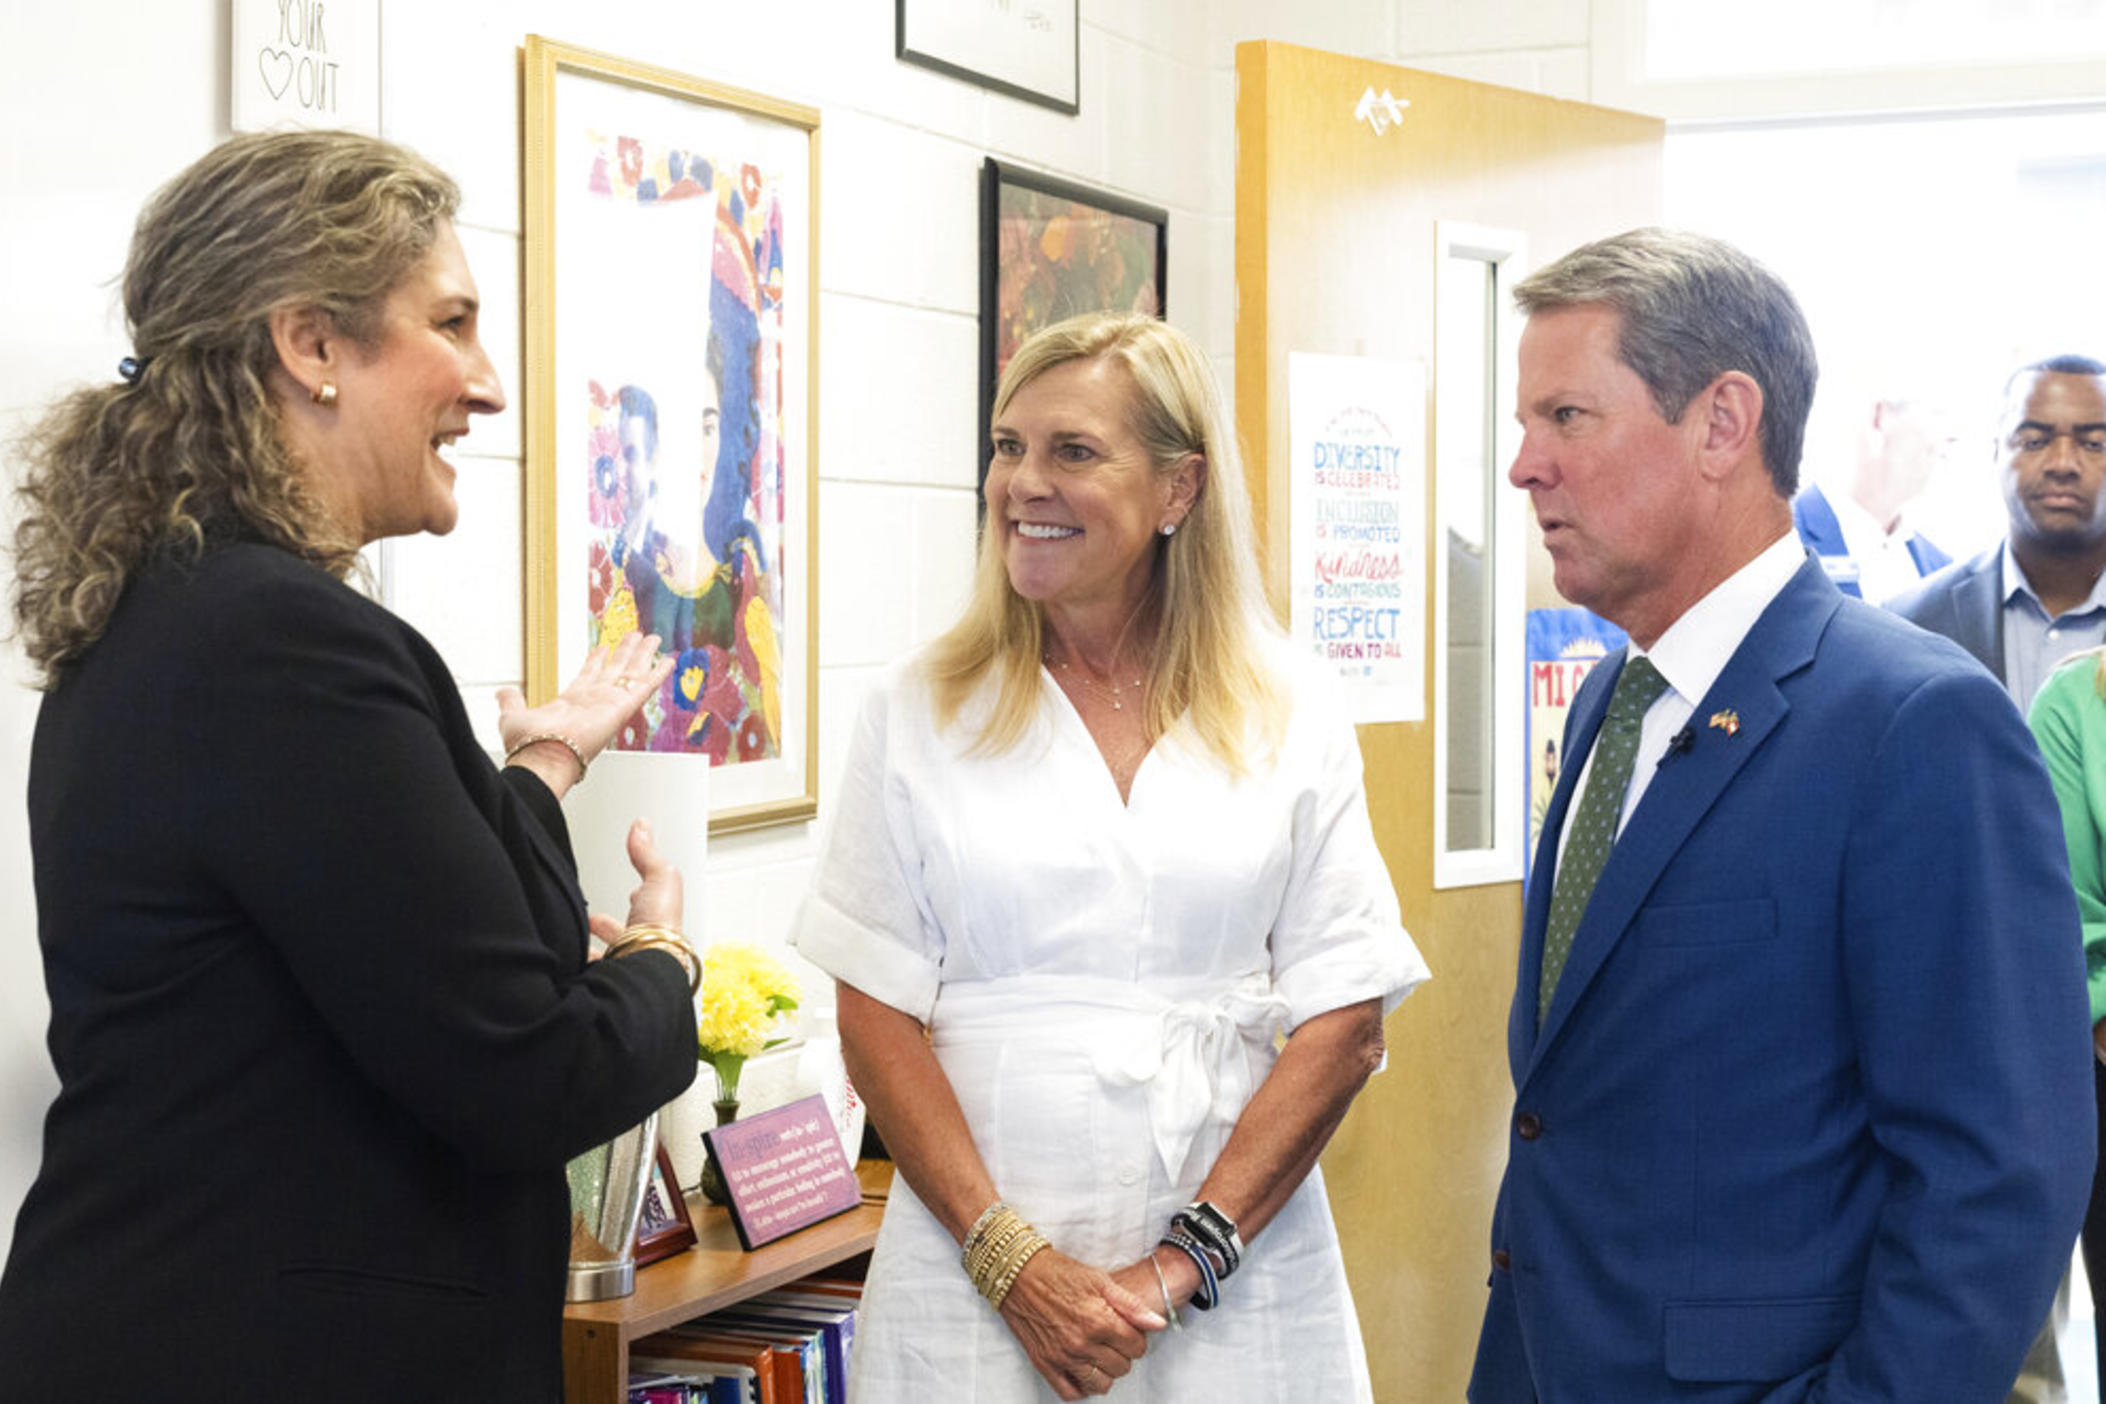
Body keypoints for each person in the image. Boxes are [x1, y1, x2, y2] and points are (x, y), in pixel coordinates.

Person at [0, 131, 701, 1402]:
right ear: (311, 344)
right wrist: (665, 967)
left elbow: (408, 924)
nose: (488, 386)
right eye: (452, 323)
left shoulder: (190, 614)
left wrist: (543, 763)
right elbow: (526, 1073)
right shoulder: (281, 646)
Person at [1471, 227, 2093, 1403]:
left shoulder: (1916, 726)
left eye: (1566, 419)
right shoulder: (1616, 694)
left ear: (1721, 422)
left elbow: (1998, 1181)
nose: (1524, 467)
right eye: (1524, 424)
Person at [792, 311, 1428, 1400]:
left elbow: (1345, 1018)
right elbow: (875, 1015)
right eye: (1007, 447)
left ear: (1179, 491)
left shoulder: (1287, 707)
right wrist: (1014, 1266)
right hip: (977, 1270)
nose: (1023, 483)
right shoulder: (917, 707)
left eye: (1072, 452)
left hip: (1235, 1277)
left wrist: (1181, 1266)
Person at [1892, 354, 2106, 1401]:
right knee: (2004, 1342)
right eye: (2035, 436)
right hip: (1966, 1043)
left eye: (2091, 439)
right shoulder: (1908, 628)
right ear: (1997, 457)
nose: (2061, 462)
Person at [1791, 392, 1951, 602]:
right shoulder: (1778, 543)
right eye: (1938, 412)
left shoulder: (1942, 570)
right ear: (1880, 419)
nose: (1951, 437)